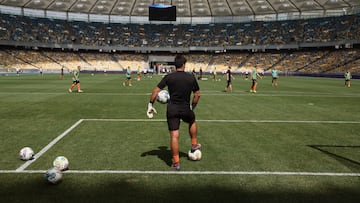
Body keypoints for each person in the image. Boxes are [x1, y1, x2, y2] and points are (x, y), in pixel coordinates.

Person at [146, 54, 201, 170]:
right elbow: (197, 94)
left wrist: (150, 104)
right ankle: (194, 143)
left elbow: (156, 91)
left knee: (174, 136)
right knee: (192, 120)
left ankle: (176, 162)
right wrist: (192, 106)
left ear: (175, 65)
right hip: (186, 108)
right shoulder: (191, 77)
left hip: (172, 110)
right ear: (184, 65)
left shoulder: (169, 77)